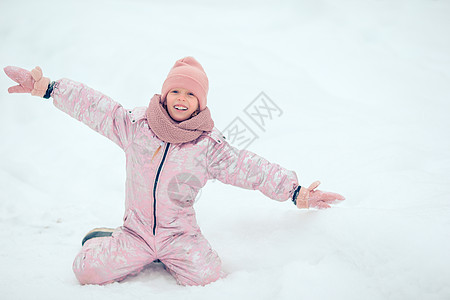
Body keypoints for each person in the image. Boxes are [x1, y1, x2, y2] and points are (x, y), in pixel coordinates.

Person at [3, 57, 345, 286]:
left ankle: (167, 257)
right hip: (136, 232)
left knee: (209, 277)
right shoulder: (136, 126)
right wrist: (48, 88)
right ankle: (110, 239)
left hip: (178, 236)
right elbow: (97, 108)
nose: (182, 98)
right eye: (176, 91)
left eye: (190, 94)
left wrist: (295, 191)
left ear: (201, 102)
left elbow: (251, 168)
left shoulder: (208, 146)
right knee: (85, 272)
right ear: (166, 95)